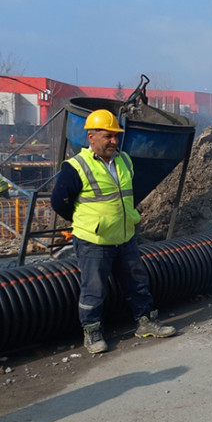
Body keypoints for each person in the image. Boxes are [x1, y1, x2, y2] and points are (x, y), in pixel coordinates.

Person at [50, 108, 176, 354]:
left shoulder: (124, 161)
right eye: (108, 136)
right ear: (91, 137)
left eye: (116, 136)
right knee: (94, 288)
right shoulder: (76, 167)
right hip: (94, 241)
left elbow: (129, 196)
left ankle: (146, 322)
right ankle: (92, 331)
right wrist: (91, 222)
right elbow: (59, 203)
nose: (114, 141)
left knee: (137, 283)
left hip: (125, 236)